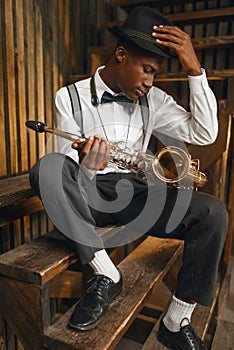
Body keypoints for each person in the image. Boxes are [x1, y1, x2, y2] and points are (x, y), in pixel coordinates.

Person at [29, 6, 228, 350]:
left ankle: (176, 320)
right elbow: (63, 171)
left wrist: (195, 69)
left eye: (155, 73)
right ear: (121, 55)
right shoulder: (70, 97)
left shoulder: (154, 99)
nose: (150, 81)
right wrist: (89, 167)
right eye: (147, 70)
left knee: (213, 213)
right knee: (46, 168)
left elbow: (206, 132)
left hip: (137, 195)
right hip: (86, 196)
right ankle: (106, 272)